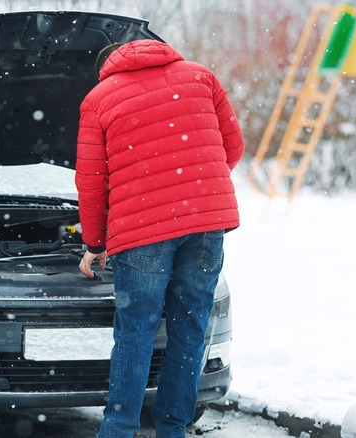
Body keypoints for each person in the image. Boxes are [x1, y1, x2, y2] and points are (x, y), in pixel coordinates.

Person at [75, 39, 244, 438]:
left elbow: (92, 182)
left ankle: (118, 429)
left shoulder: (99, 98)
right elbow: (231, 147)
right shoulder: (200, 77)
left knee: (136, 329)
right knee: (190, 325)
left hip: (141, 232)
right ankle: (172, 427)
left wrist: (95, 243)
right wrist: (196, 192)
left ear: (108, 66)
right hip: (206, 225)